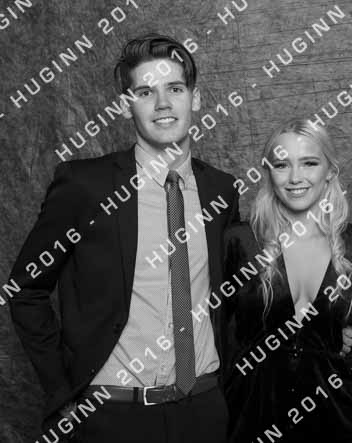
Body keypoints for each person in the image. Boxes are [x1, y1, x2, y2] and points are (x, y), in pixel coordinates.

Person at [8, 34, 240, 443]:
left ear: (196, 98)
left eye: (175, 89)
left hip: (203, 410)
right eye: (146, 92)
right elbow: (26, 290)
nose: (163, 104)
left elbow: (235, 296)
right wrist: (63, 392)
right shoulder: (85, 186)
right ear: (125, 105)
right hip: (111, 416)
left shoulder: (221, 190)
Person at [222, 119, 352, 443]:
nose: (295, 177)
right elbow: (217, 331)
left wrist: (339, 334)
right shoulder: (239, 242)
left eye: (309, 163)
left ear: (330, 171)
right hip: (251, 417)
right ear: (269, 172)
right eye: (282, 165)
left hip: (335, 418)